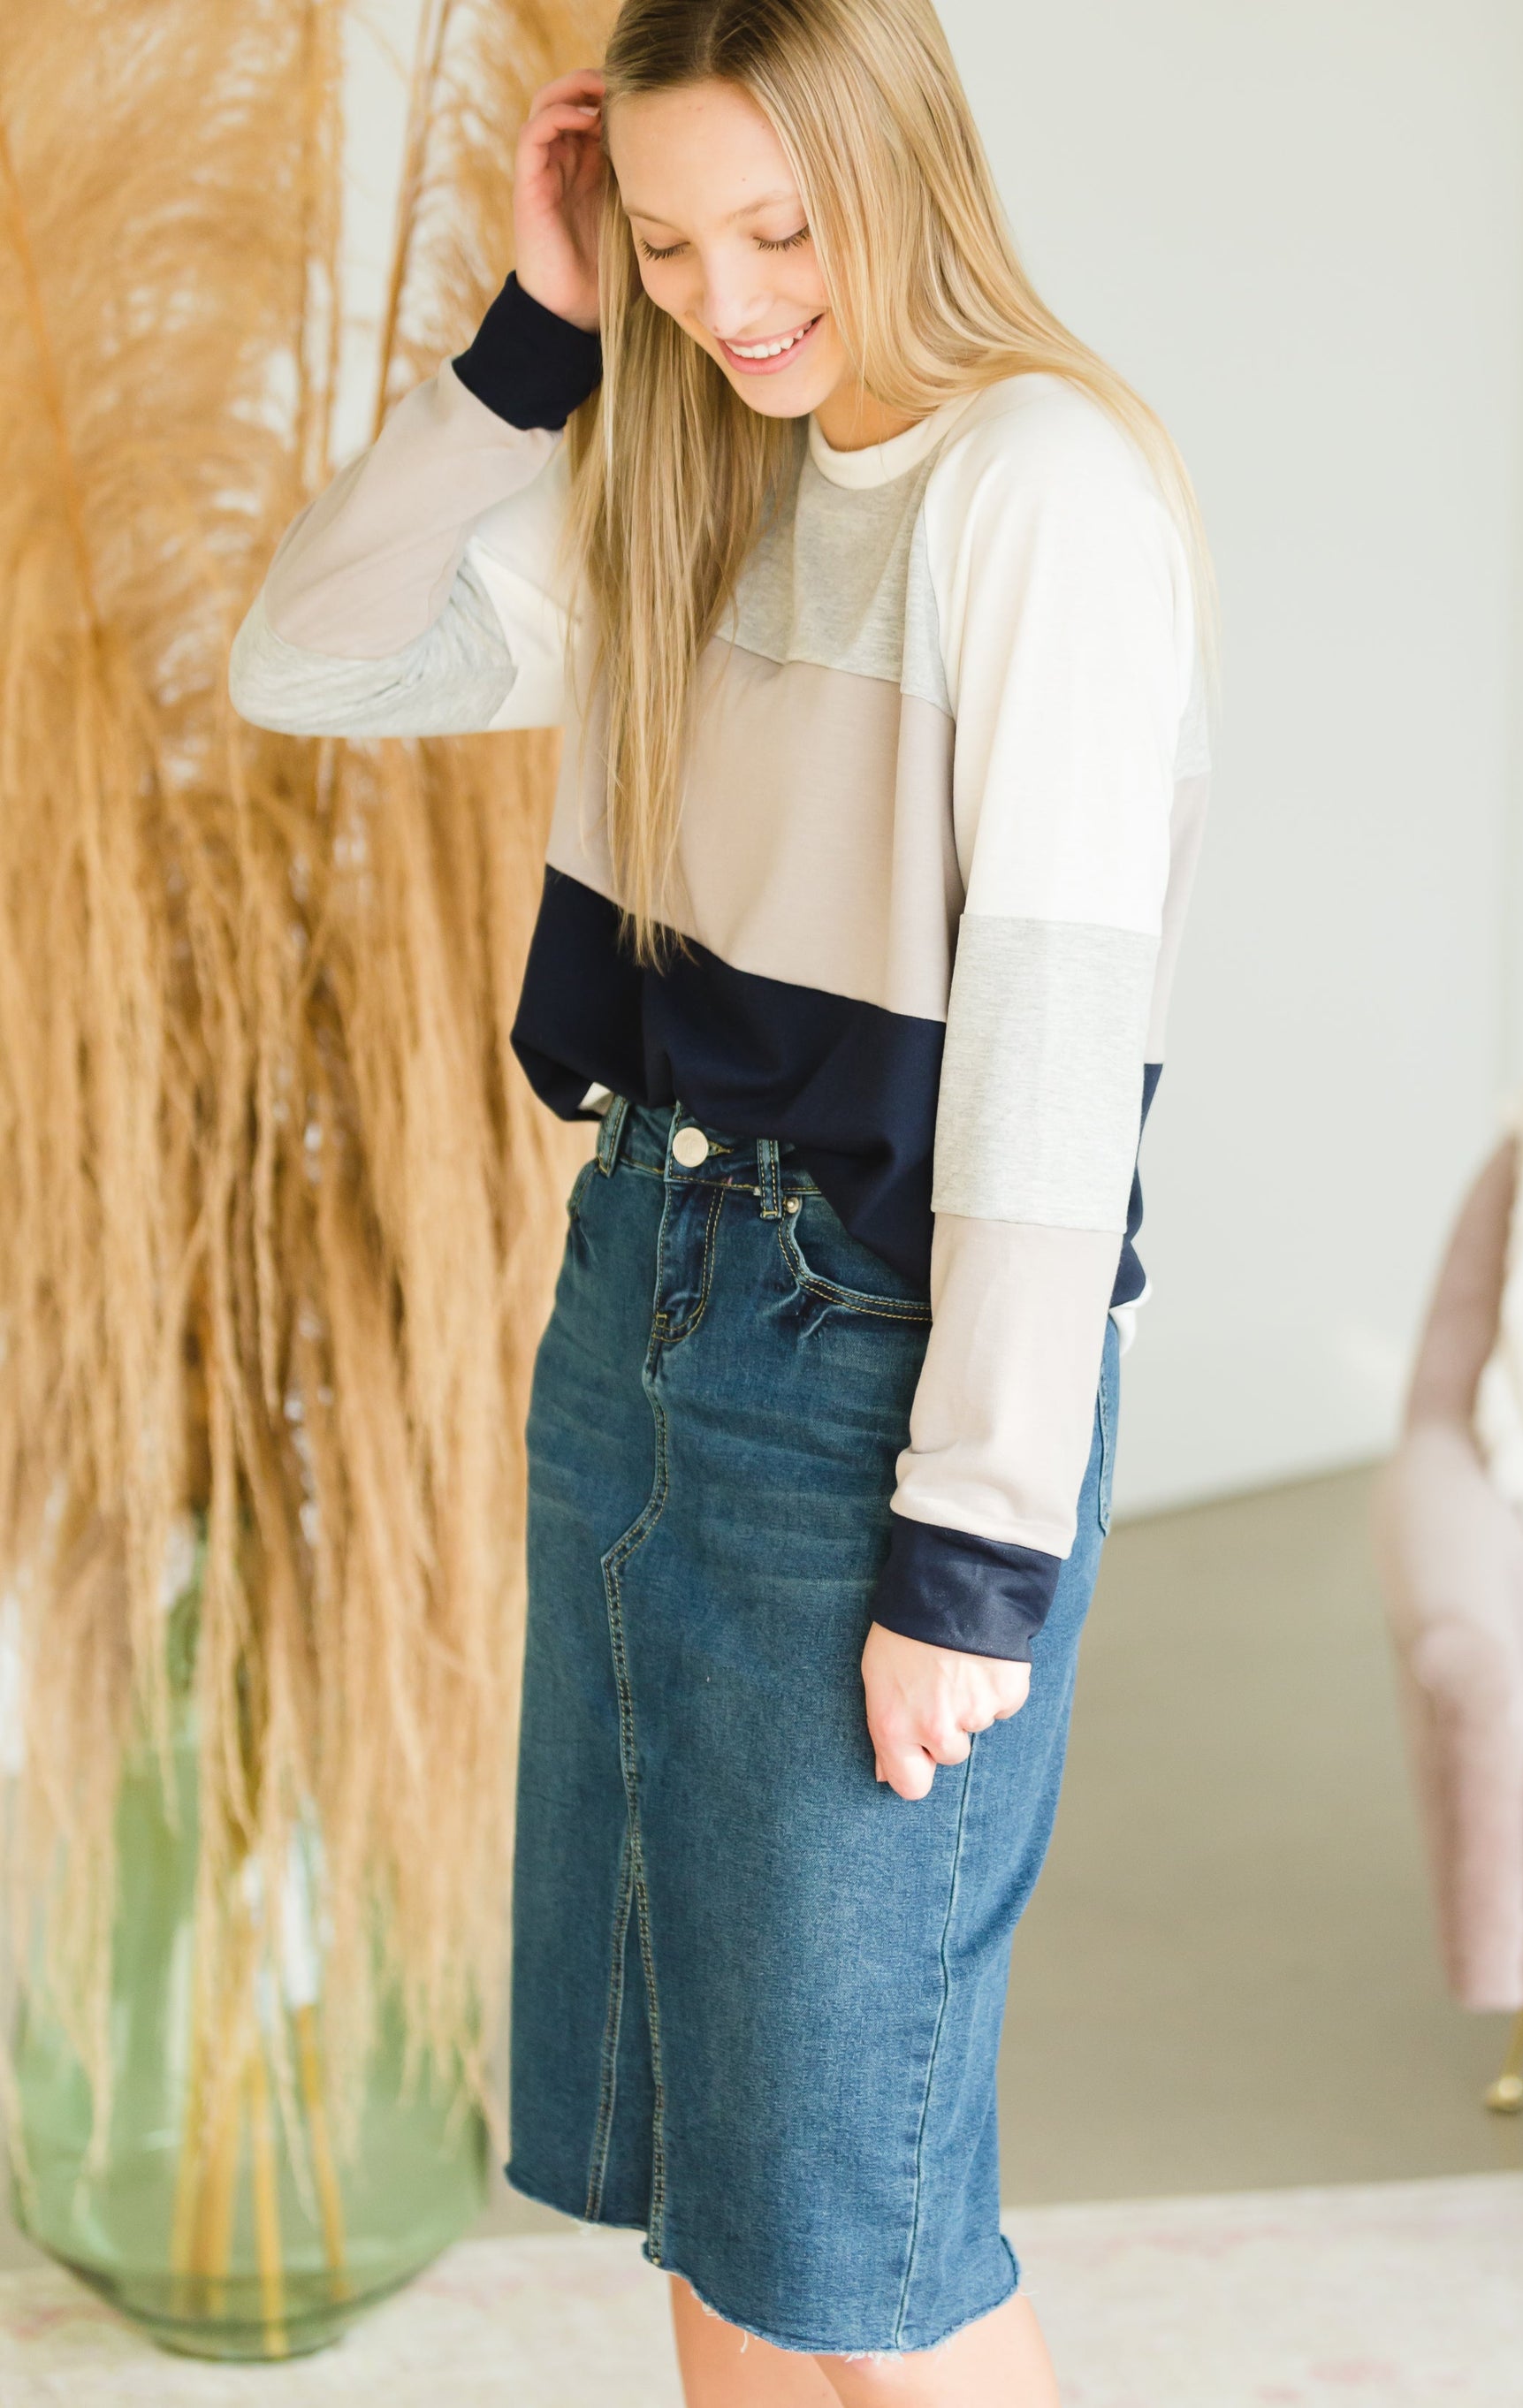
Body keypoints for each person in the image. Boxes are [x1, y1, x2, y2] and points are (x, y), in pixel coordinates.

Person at [230, 1, 1212, 2397]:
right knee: (711, 2170)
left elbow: (1056, 1058)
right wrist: (537, 332)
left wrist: (971, 1546)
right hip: (638, 1301)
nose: (731, 296)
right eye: (666, 242)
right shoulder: (676, 479)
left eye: (779, 228)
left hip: (859, 1360)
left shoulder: (1036, 485)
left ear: (907, 175)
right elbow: (302, 655)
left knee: (860, 2215)